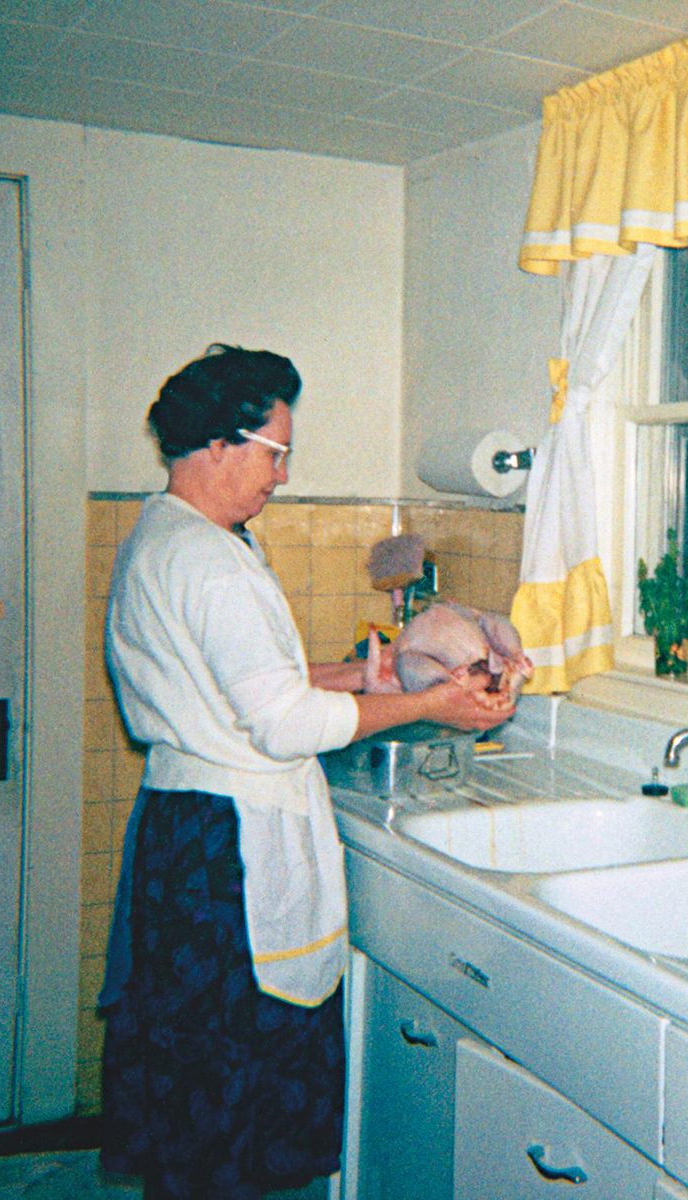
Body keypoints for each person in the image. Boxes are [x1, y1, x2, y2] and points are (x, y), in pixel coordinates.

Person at [98, 344, 513, 1199]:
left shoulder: (171, 534)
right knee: (226, 1097)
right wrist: (431, 706)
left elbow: (235, 691)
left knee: (194, 1092)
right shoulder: (210, 561)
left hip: (187, 830)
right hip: (226, 850)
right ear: (219, 443)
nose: (281, 476)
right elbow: (285, 723)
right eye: (275, 452)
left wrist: (365, 678)